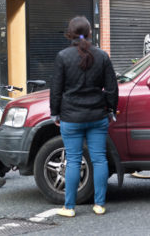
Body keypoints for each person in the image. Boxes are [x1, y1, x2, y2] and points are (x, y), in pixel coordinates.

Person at [50, 16, 118, 217]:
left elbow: (56, 89)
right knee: (99, 159)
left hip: (71, 117)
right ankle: (99, 205)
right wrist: (111, 109)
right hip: (97, 115)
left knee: (72, 160)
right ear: (90, 32)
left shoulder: (63, 56)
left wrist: (55, 112)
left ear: (70, 34)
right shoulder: (102, 56)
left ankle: (69, 207)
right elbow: (112, 88)